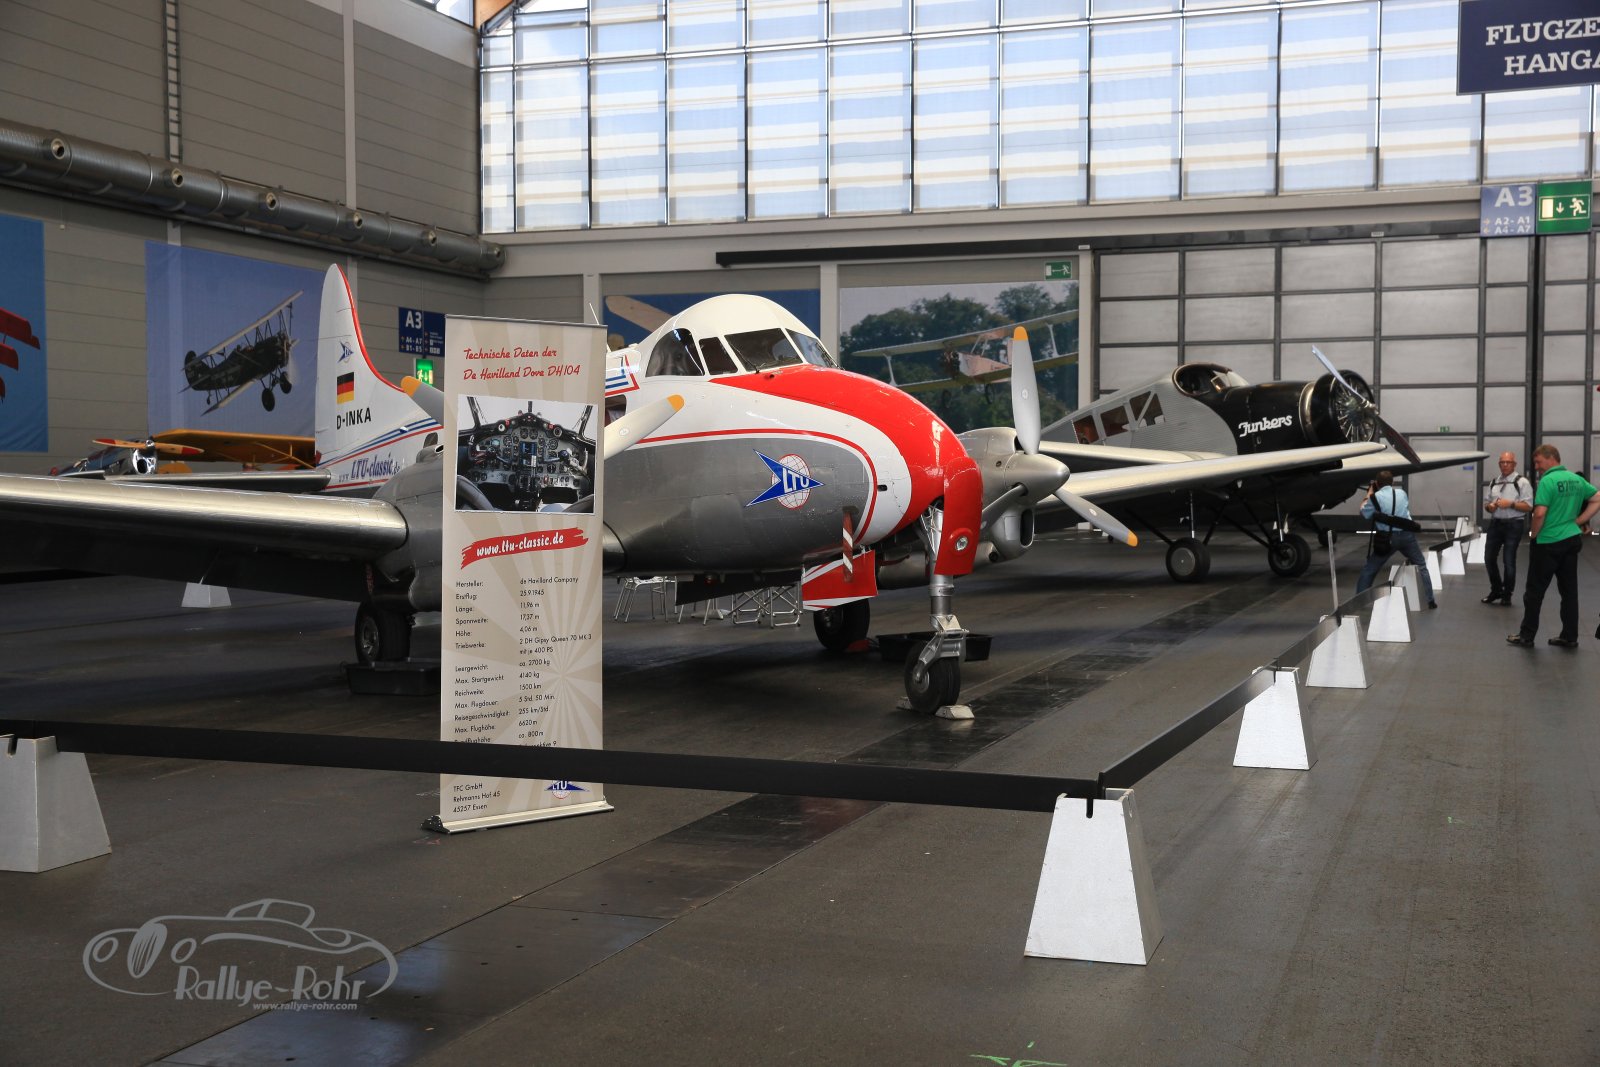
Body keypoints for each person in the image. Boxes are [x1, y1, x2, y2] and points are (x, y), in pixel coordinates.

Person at [1508, 444, 1600, 648]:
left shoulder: (1547, 481)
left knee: (1534, 592)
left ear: (1551, 458)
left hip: (1548, 542)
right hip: (1571, 541)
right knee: (1569, 592)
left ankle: (1526, 636)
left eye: (1538, 462)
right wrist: (1578, 521)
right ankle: (1569, 636)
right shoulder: (1576, 479)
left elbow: (1539, 513)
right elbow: (1597, 498)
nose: (1536, 467)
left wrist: (1533, 534)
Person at [1355, 470, 1435, 608]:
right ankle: (1430, 600)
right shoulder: (1402, 493)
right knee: (1421, 565)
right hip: (1407, 536)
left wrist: (1368, 495)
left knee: (1370, 569)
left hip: (1387, 539)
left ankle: (1360, 601)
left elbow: (1364, 513)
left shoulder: (1375, 497)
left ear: (1377, 483)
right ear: (1392, 482)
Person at [1481, 451, 1533, 605]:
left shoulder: (1522, 482)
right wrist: (1490, 507)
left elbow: (1529, 506)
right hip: (1495, 524)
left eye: (1508, 462)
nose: (1505, 465)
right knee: (1489, 558)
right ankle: (1496, 589)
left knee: (1508, 560)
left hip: (1514, 524)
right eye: (1502, 462)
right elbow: (1486, 503)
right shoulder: (1494, 482)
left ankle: (1507, 594)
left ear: (1514, 464)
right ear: (1499, 464)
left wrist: (1510, 504)